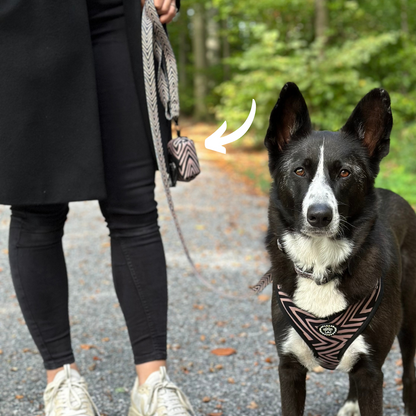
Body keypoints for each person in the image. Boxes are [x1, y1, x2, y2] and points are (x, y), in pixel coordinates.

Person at [0, 0, 194, 415]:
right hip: (23, 21)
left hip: (117, 14)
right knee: (37, 208)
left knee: (135, 204)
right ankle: (61, 379)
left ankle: (152, 383)